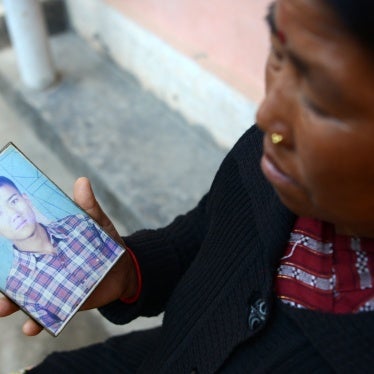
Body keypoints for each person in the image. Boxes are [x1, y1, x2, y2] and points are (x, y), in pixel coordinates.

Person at [1, 0, 374, 371]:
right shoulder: (271, 162)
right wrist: (128, 274)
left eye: (323, 102)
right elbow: (204, 235)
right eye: (278, 52)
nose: (267, 115)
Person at [0, 176, 124, 335]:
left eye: (14, 201)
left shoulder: (80, 224)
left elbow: (122, 263)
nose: (14, 214)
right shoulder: (18, 288)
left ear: (27, 200)